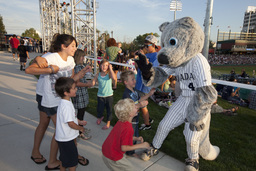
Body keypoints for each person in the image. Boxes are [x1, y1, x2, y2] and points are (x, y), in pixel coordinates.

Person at [25, 34, 91, 170]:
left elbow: (71, 79)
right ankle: (59, 159)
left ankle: (63, 156)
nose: (75, 48)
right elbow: (29, 69)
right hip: (49, 99)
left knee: (50, 126)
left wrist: (81, 73)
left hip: (61, 99)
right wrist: (50, 69)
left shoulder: (71, 60)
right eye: (73, 45)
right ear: (63, 46)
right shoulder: (51, 57)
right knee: (63, 130)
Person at [102, 98, 150, 171]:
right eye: (135, 107)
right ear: (130, 114)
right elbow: (124, 148)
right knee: (130, 169)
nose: (137, 107)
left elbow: (122, 138)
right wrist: (142, 145)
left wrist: (135, 138)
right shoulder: (128, 128)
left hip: (107, 151)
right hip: (113, 156)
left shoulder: (121, 121)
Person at [55, 77, 89, 171]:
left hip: (64, 138)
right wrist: (80, 128)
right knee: (72, 161)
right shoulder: (66, 106)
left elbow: (71, 118)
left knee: (64, 159)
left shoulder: (67, 101)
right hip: (66, 139)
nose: (76, 89)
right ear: (66, 92)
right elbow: (70, 123)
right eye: (74, 88)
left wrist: (79, 121)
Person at [72, 49, 92, 140]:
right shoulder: (77, 68)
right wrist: (87, 84)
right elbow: (77, 83)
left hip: (82, 94)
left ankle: (79, 130)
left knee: (80, 113)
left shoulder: (80, 66)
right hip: (80, 95)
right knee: (80, 114)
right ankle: (80, 132)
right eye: (83, 56)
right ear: (79, 57)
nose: (84, 58)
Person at [91, 59, 116, 130]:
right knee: (99, 109)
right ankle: (100, 117)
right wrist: (92, 83)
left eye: (106, 65)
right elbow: (93, 82)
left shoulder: (109, 74)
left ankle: (108, 123)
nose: (104, 67)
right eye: (103, 65)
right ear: (100, 66)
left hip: (109, 96)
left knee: (109, 109)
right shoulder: (98, 75)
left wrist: (111, 69)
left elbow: (114, 78)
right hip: (100, 96)